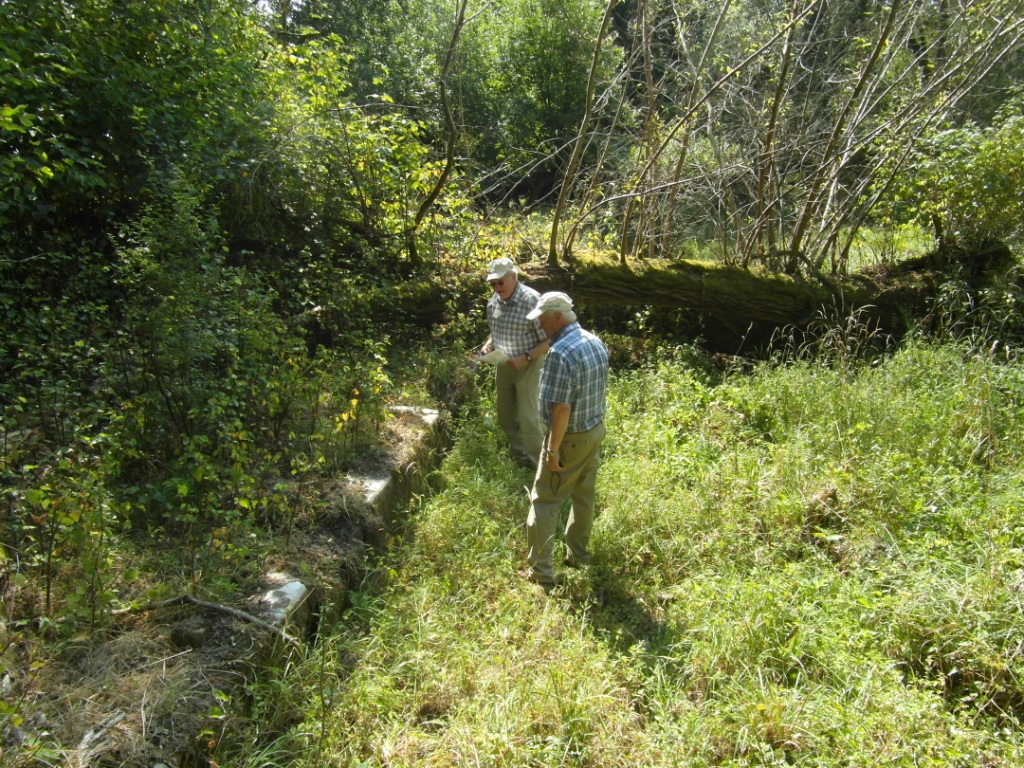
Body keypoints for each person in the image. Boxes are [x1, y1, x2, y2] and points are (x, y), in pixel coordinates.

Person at [521, 291, 609, 589]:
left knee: (545, 500)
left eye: (543, 320)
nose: (540, 327)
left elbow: (561, 409)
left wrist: (552, 450)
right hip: (594, 431)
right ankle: (579, 555)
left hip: (568, 438)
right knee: (583, 495)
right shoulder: (593, 340)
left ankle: (541, 574)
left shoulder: (560, 352)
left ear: (558, 317)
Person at [479, 257, 550, 468]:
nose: (497, 287)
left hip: (530, 364)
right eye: (493, 284)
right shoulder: (493, 302)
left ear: (513, 277)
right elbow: (495, 331)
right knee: (506, 415)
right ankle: (522, 460)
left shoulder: (532, 300)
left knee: (529, 418)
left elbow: (550, 339)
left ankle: (541, 466)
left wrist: (526, 358)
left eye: (501, 282)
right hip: (504, 363)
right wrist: (488, 345)